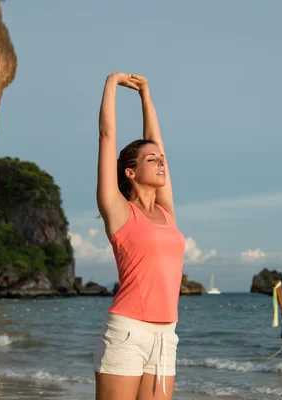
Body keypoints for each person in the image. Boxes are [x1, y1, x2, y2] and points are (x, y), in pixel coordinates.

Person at [93, 72, 185, 400]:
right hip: (127, 332)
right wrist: (112, 83)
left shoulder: (166, 211)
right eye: (152, 160)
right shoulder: (118, 211)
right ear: (130, 172)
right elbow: (107, 136)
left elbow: (155, 141)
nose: (161, 162)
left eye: (162, 159)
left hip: (166, 335)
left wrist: (146, 94)